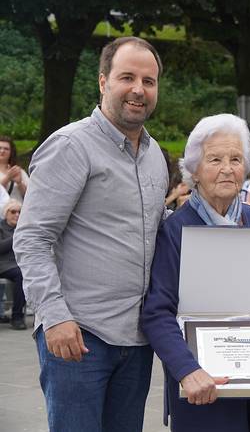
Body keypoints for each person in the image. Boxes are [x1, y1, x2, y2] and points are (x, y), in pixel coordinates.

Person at [13, 36, 168, 432]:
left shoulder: (155, 156)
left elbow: (160, 229)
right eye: (127, 77)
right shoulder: (71, 146)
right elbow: (32, 239)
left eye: (148, 81)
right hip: (80, 338)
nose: (138, 89)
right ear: (103, 82)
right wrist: (54, 317)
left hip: (136, 340)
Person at [140, 114, 250, 432]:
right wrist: (187, 370)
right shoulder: (175, 231)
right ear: (194, 171)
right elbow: (156, 313)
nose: (227, 168)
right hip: (203, 388)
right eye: (215, 159)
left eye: (235, 159)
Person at [0, 199, 26, 329]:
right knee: (21, 274)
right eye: (13, 211)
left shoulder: (24, 229)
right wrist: (16, 236)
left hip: (20, 264)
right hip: (3, 264)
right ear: (6, 213)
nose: (17, 214)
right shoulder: (1, 227)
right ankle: (17, 317)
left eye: (20, 212)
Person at [0, 135, 30, 203]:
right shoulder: (11, 174)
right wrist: (7, 178)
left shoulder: (19, 171)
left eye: (6, 149)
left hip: (18, 211)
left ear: (11, 152)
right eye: (0, 148)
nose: (2, 151)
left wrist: (19, 183)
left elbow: (30, 195)